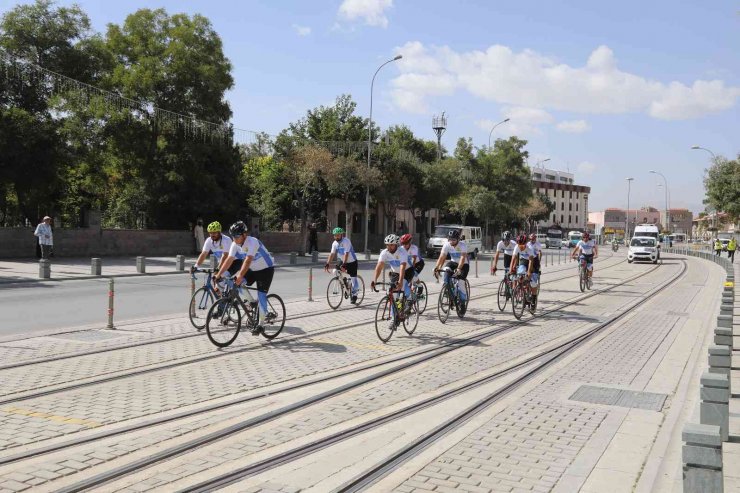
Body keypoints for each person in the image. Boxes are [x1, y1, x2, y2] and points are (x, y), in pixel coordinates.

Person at [215, 221, 275, 334]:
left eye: (237, 236)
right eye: (233, 236)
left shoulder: (252, 242)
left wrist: (240, 275)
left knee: (261, 295)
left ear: (244, 235)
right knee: (238, 284)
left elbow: (247, 261)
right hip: (253, 270)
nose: (234, 239)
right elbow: (229, 260)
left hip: (266, 270)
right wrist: (219, 275)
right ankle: (252, 302)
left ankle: (261, 325)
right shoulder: (235, 244)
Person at [370, 234, 411, 317]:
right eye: (387, 245)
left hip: (407, 271)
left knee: (403, 286)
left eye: (391, 245)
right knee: (393, 293)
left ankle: (410, 300)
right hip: (395, 272)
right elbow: (379, 266)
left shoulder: (402, 251)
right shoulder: (384, 253)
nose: (389, 247)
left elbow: (402, 267)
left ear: (396, 244)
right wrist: (374, 280)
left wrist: (400, 281)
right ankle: (394, 316)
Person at [325, 227, 360, 304]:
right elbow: (332, 254)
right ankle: (345, 282)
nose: (337, 237)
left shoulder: (346, 241)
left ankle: (354, 295)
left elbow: (346, 254)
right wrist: (328, 263)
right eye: (335, 235)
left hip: (351, 261)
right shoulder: (334, 243)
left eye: (338, 235)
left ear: (341, 235)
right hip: (341, 260)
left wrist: (344, 264)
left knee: (353, 278)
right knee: (335, 271)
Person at [433, 229, 469, 302]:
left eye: (454, 240)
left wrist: (459, 269)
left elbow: (462, 258)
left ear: (458, 239)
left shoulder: (463, 245)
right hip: (453, 263)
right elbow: (442, 257)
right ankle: (448, 290)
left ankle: (462, 302)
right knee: (445, 271)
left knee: (461, 283)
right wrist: (436, 267)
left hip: (463, 264)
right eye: (450, 239)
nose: (451, 241)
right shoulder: (447, 245)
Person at [510, 234, 537, 305]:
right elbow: (513, 259)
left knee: (533, 281)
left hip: (533, 261)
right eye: (519, 245)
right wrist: (510, 270)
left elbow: (531, 261)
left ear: (525, 244)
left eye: (523, 246)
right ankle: (522, 290)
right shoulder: (517, 247)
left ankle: (534, 298)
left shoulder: (529, 248)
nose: (521, 247)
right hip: (524, 260)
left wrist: (529, 272)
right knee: (520, 273)